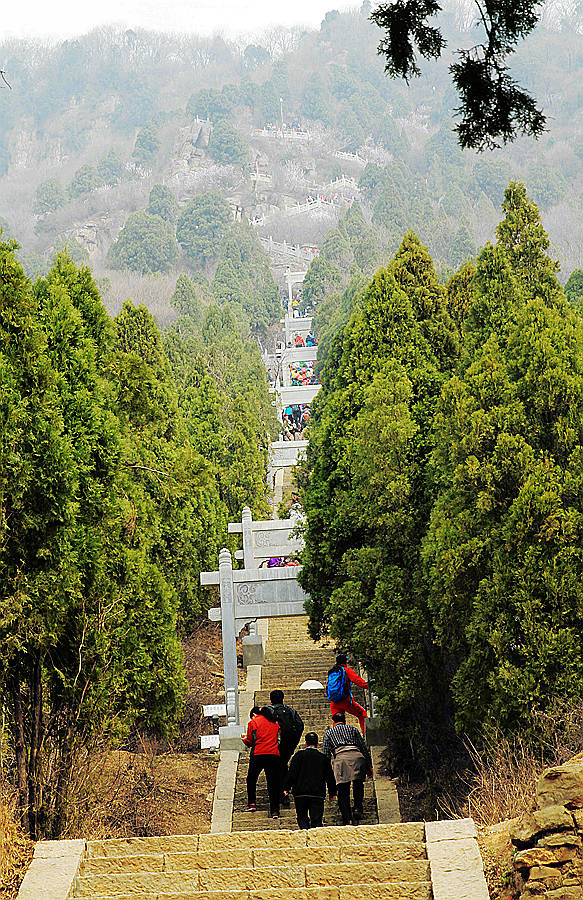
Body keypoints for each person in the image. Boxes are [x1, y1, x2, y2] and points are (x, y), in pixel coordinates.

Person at [322, 712, 373, 826]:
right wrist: (369, 766)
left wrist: (326, 773)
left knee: (343, 789)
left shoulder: (329, 733)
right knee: (358, 784)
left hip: (341, 758)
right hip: (357, 756)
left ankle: (347, 817)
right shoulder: (353, 729)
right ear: (345, 721)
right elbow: (363, 747)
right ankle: (358, 808)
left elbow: (326, 754)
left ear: (333, 722)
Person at [284, 732, 336, 829]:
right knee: (316, 819)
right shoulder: (323, 757)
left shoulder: (298, 756)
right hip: (317, 793)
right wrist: (332, 792)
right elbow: (329, 776)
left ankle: (305, 835)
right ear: (317, 743)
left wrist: (286, 787)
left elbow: (292, 773)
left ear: (306, 743)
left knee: (302, 817)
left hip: (300, 793)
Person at [241, 706, 281, 817]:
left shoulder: (253, 723)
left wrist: (244, 740)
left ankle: (252, 803)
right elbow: (279, 740)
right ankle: (274, 810)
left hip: (258, 754)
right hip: (273, 754)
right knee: (273, 783)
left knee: (252, 778)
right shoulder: (275, 724)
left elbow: (250, 741)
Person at [269, 689, 304, 808]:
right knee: (283, 766)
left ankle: (277, 795)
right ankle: (284, 793)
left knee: (274, 769)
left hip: (271, 745)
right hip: (287, 745)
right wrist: (293, 742)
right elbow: (300, 725)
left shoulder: (267, 711)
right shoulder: (291, 711)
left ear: (271, 699)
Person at [327, 653, 369, 734]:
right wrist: (369, 686)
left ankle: (336, 741)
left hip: (334, 701)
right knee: (362, 714)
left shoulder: (332, 671)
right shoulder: (347, 670)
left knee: (337, 721)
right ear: (345, 661)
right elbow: (359, 682)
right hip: (345, 700)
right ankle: (366, 736)